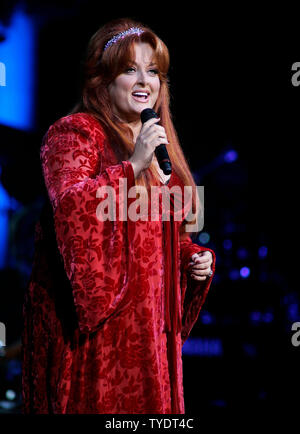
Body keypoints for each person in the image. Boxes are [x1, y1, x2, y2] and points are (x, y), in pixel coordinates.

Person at [21, 18, 216, 414]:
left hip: (151, 343)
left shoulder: (162, 152)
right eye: (130, 69)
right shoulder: (74, 134)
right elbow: (72, 213)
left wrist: (191, 259)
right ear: (102, 79)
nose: (145, 81)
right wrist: (131, 167)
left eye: (154, 71)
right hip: (97, 347)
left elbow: (163, 241)